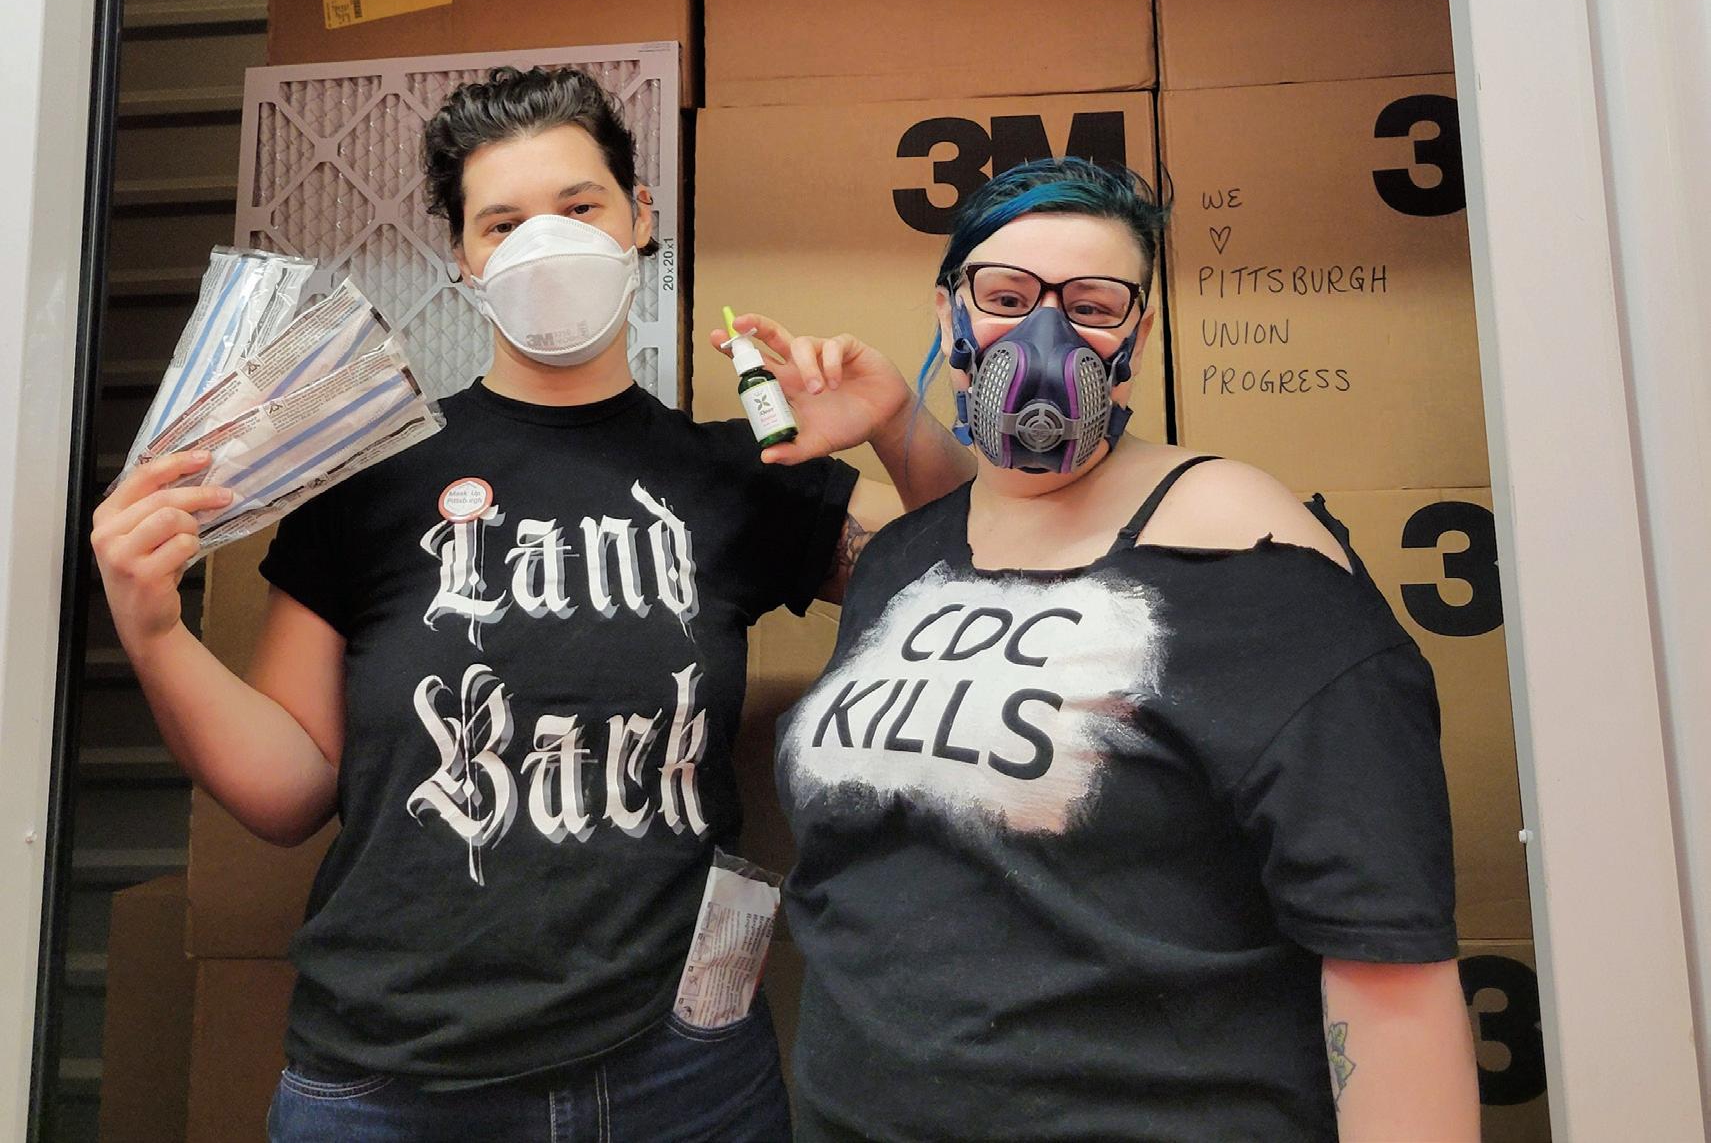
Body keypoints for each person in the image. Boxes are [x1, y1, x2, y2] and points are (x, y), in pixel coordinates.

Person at [90, 65, 970, 1143]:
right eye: (501, 223)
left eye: (579, 206)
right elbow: (286, 792)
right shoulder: (368, 481)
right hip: (393, 1079)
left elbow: (980, 577)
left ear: (640, 219)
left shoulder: (739, 473)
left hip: (678, 1077)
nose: (544, 242)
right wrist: (150, 626)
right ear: (463, 260)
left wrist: (898, 426)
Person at [776, 156, 1481, 1143]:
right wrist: (897, 425)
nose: (1045, 337)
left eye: (1092, 306)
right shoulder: (906, 560)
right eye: (1005, 297)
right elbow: (1008, 553)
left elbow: (1387, 966)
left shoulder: (1250, 561)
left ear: (1137, 337)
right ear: (949, 315)